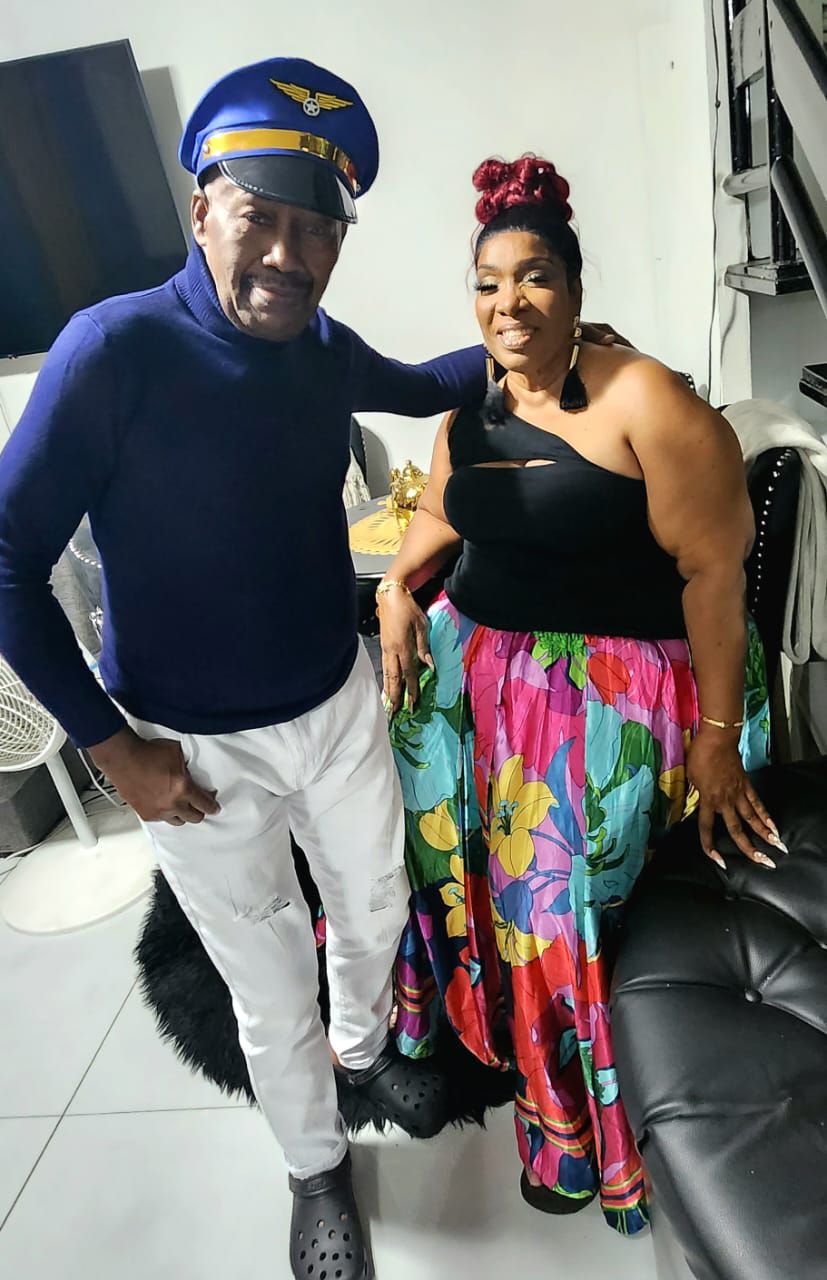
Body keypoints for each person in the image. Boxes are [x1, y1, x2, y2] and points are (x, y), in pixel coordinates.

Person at [1, 57, 489, 1280]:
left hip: (335, 701)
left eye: (316, 228)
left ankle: (362, 1050)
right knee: (267, 972)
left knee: (372, 905)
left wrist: (540, 329)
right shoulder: (112, 350)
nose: (286, 252)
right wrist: (110, 749)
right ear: (201, 207)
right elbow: (6, 557)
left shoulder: (318, 348)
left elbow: (425, 383)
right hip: (193, 744)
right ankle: (315, 1165)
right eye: (259, 215)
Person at [377, 155, 783, 1234]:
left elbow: (712, 572)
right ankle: (533, 1100)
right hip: (483, 692)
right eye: (486, 283)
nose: (507, 303)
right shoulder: (469, 410)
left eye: (533, 277)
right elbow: (444, 512)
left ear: (573, 288)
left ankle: (606, 1138)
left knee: (563, 922)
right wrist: (394, 585)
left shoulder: (643, 398)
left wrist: (714, 738)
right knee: (487, 898)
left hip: (607, 706)